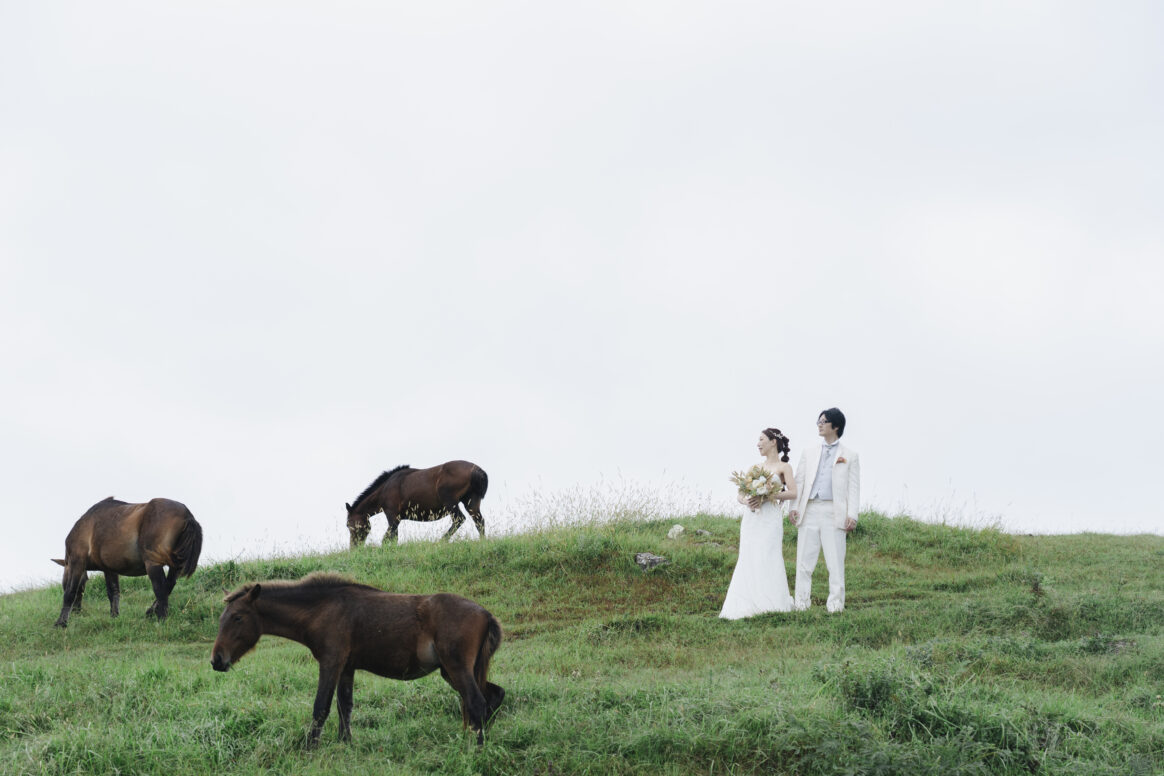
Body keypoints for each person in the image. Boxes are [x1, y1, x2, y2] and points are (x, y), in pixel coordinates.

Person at [719, 428, 798, 619]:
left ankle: (770, 603)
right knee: (749, 556)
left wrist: (769, 495)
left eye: (762, 439)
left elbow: (793, 493)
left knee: (769, 555)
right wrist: (746, 501)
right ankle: (746, 603)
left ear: (773, 442)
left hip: (770, 519)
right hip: (752, 518)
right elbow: (741, 493)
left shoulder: (784, 467)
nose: (758, 444)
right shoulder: (754, 468)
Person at [788, 408, 860, 613]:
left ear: (835, 426)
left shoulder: (850, 455)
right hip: (809, 508)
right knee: (804, 559)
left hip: (833, 511)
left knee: (835, 561)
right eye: (818, 421)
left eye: (824, 421)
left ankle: (835, 604)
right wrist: (793, 508)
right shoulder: (808, 451)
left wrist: (852, 515)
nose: (819, 424)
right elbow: (800, 481)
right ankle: (801, 603)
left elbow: (853, 488)